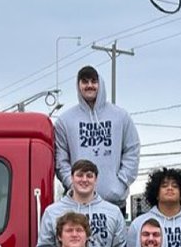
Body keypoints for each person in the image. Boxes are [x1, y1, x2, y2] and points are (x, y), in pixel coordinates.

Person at [54, 66, 140, 207]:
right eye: (85, 81)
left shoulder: (121, 116)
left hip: (114, 203)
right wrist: (72, 184)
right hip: (77, 204)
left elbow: (132, 151)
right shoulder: (65, 121)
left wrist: (120, 184)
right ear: (78, 85)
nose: (89, 85)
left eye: (94, 81)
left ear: (100, 83)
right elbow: (60, 160)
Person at [34, 158, 128, 247]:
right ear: (72, 178)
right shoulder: (53, 211)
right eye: (80, 175)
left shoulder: (113, 212)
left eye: (89, 176)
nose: (84, 179)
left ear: (96, 179)